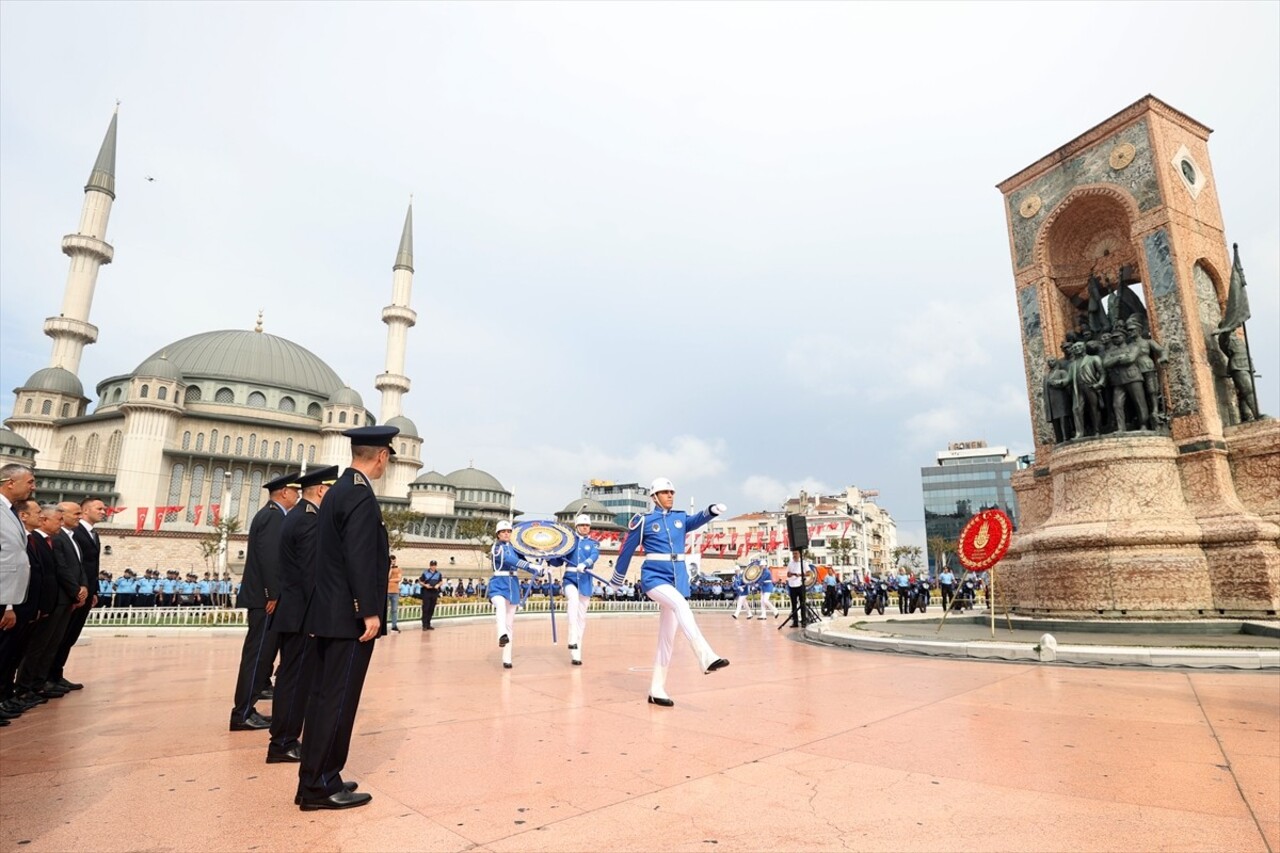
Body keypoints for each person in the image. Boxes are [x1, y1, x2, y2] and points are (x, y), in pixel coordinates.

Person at [296, 426, 398, 810]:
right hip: (348, 619)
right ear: (382, 455)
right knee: (338, 700)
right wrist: (368, 610)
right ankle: (321, 785)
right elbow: (358, 555)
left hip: (330, 613)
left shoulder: (338, 490)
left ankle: (314, 778)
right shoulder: (357, 495)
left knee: (324, 697)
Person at [610, 478, 729, 708]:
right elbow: (627, 550)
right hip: (654, 577)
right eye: (665, 492)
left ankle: (656, 689)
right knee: (681, 606)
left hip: (678, 580)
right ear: (654, 497)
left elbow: (696, 520)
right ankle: (706, 657)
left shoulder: (680, 518)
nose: (670, 496)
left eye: (672, 492)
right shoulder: (643, 521)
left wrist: (711, 511)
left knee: (667, 640)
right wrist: (617, 578)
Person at [265, 465, 337, 766]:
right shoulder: (309, 521)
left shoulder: (300, 516)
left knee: (292, 678)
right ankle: (282, 741)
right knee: (294, 680)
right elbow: (311, 575)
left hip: (295, 613)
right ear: (321, 490)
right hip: (301, 616)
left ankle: (283, 737)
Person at [229, 471, 300, 732]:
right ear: (284, 492)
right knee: (257, 656)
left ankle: (249, 707)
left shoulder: (273, 514)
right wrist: (273, 594)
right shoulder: (272, 516)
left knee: (262, 656)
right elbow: (271, 559)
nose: (297, 495)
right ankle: (242, 713)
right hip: (265, 599)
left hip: (265, 597)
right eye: (295, 491)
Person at [489, 520, 544, 670]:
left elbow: (524, 561)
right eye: (503, 531)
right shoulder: (496, 548)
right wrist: (529, 565)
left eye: (508, 531)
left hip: (512, 585)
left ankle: (507, 658)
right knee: (500, 606)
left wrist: (539, 569)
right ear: (498, 534)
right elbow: (510, 560)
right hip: (499, 584)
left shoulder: (515, 548)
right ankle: (501, 635)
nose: (506, 534)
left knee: (510, 624)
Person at [550, 513, 600, 666]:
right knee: (573, 600)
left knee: (581, 617)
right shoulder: (569, 543)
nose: (585, 528)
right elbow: (557, 561)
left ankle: (576, 652)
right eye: (582, 525)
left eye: (587, 526)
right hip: (570, 579)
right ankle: (572, 638)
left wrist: (585, 563)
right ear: (577, 527)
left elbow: (595, 555)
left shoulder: (593, 543)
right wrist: (549, 554)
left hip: (585, 581)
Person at [420, 560, 442, 629]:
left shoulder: (438, 573)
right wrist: (425, 585)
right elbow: (420, 581)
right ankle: (424, 625)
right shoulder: (425, 573)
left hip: (434, 591)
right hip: (427, 591)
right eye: (432, 565)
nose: (433, 567)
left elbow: (441, 581)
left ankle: (429, 624)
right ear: (430, 566)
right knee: (426, 608)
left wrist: (438, 585)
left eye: (434, 565)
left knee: (431, 608)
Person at [785, 553, 805, 628]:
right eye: (793, 554)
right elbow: (788, 574)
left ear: (799, 554)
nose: (794, 555)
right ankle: (795, 622)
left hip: (800, 584)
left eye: (796, 554)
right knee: (793, 605)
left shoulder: (803, 563)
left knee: (802, 603)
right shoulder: (790, 563)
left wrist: (800, 574)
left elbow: (809, 573)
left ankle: (804, 621)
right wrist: (791, 574)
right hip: (792, 585)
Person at [386, 555, 402, 633]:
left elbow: (399, 579)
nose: (393, 562)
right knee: (385, 609)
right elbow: (387, 577)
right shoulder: (387, 569)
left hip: (395, 592)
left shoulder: (398, 569)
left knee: (394, 610)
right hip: (387, 591)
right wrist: (390, 569)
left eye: (394, 561)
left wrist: (390, 580)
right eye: (392, 561)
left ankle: (394, 626)